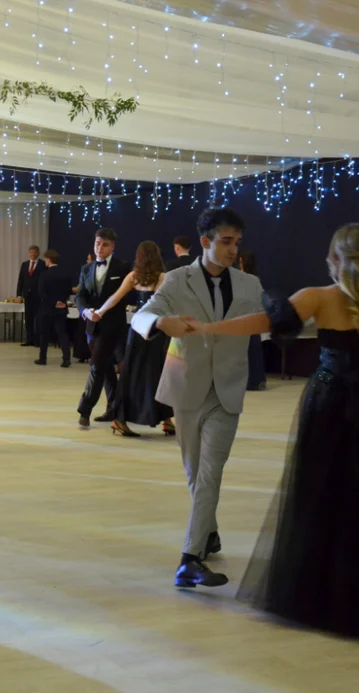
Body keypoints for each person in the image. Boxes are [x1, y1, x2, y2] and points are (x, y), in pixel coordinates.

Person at [192, 223, 359, 637]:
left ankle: (331, 592)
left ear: (336, 259)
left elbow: (263, 322)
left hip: (333, 404)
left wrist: (207, 328)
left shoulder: (319, 297)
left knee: (328, 495)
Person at [131, 207, 264, 589]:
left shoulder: (249, 285)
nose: (233, 250)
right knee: (194, 471)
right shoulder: (176, 279)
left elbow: (271, 320)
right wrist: (161, 322)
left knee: (210, 470)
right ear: (205, 241)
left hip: (227, 389)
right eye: (226, 242)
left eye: (237, 243)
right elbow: (141, 316)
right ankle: (209, 532)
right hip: (186, 385)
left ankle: (190, 558)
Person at [92, 241, 174, 437]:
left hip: (137, 329)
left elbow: (115, 298)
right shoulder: (164, 278)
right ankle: (163, 419)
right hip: (155, 329)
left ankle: (129, 419)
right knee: (157, 374)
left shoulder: (133, 277)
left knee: (131, 374)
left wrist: (100, 312)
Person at [76, 228, 132, 427]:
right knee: (106, 368)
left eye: (105, 245)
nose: (100, 248)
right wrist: (85, 311)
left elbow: (126, 296)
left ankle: (85, 409)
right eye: (97, 243)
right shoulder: (86, 269)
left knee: (97, 365)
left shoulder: (123, 267)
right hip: (92, 326)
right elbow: (80, 295)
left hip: (114, 326)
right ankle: (113, 409)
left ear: (113, 247)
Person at [34, 249, 74, 367]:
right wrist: (61, 301)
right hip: (61, 308)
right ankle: (66, 359)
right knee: (62, 334)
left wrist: (54, 302)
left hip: (47, 309)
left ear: (49, 260)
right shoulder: (66, 274)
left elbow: (42, 293)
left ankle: (43, 358)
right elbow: (69, 290)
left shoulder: (44, 275)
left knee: (44, 334)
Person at [239, 249, 267, 391]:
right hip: (254, 318)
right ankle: (257, 380)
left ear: (241, 262)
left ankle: (247, 381)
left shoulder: (241, 279)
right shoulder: (256, 279)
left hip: (244, 318)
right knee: (254, 351)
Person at [16, 245, 45, 347]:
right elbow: (21, 280)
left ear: (38, 253)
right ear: (29, 253)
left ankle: (38, 341)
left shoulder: (43, 264)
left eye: (35, 252)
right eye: (31, 252)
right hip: (27, 296)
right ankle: (29, 339)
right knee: (28, 318)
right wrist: (19, 295)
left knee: (38, 319)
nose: (33, 254)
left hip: (39, 296)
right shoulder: (25, 264)